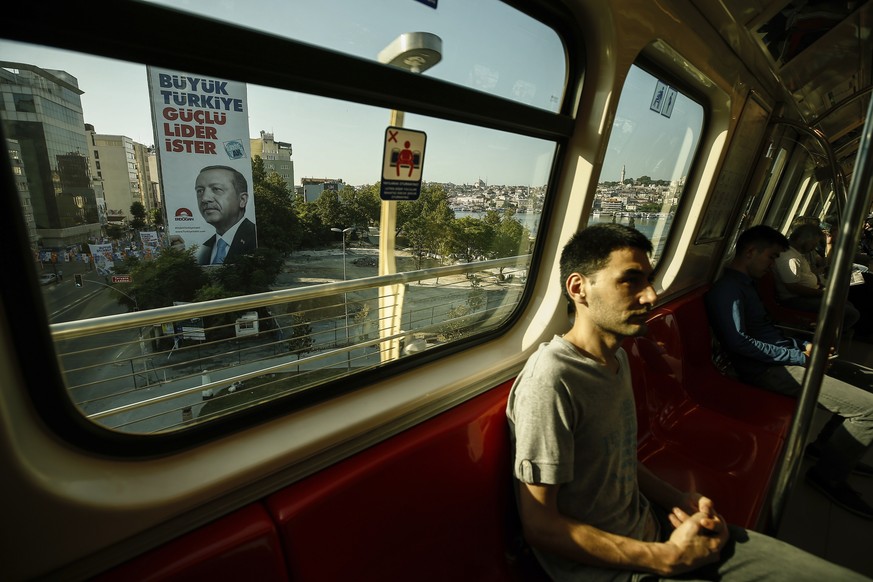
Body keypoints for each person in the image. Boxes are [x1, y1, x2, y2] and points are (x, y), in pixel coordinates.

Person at [506, 223, 868, 581]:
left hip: (656, 527)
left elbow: (618, 459)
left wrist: (677, 499)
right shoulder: (551, 381)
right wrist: (664, 558)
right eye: (630, 280)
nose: (650, 296)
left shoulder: (614, 360)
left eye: (649, 280)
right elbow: (542, 526)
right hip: (624, 569)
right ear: (578, 288)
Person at [705, 224, 873, 520]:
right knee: (868, 410)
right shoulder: (728, 290)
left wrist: (806, 348)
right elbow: (739, 342)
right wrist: (799, 357)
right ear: (750, 252)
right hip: (767, 370)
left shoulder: (747, 284)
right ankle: (828, 475)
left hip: (783, 358)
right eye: (771, 258)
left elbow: (768, 333)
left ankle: (825, 447)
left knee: (866, 379)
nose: (772, 265)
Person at [772, 223, 861, 333]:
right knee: (851, 313)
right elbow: (793, 288)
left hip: (805, 295)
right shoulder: (789, 258)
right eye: (813, 243)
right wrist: (821, 293)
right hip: (795, 299)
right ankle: (824, 338)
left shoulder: (795, 254)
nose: (814, 247)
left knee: (846, 303)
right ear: (802, 240)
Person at [169, 165, 257, 265]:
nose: (205, 198)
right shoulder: (204, 249)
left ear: (242, 200)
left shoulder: (258, 239)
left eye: (216, 189)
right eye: (200, 191)